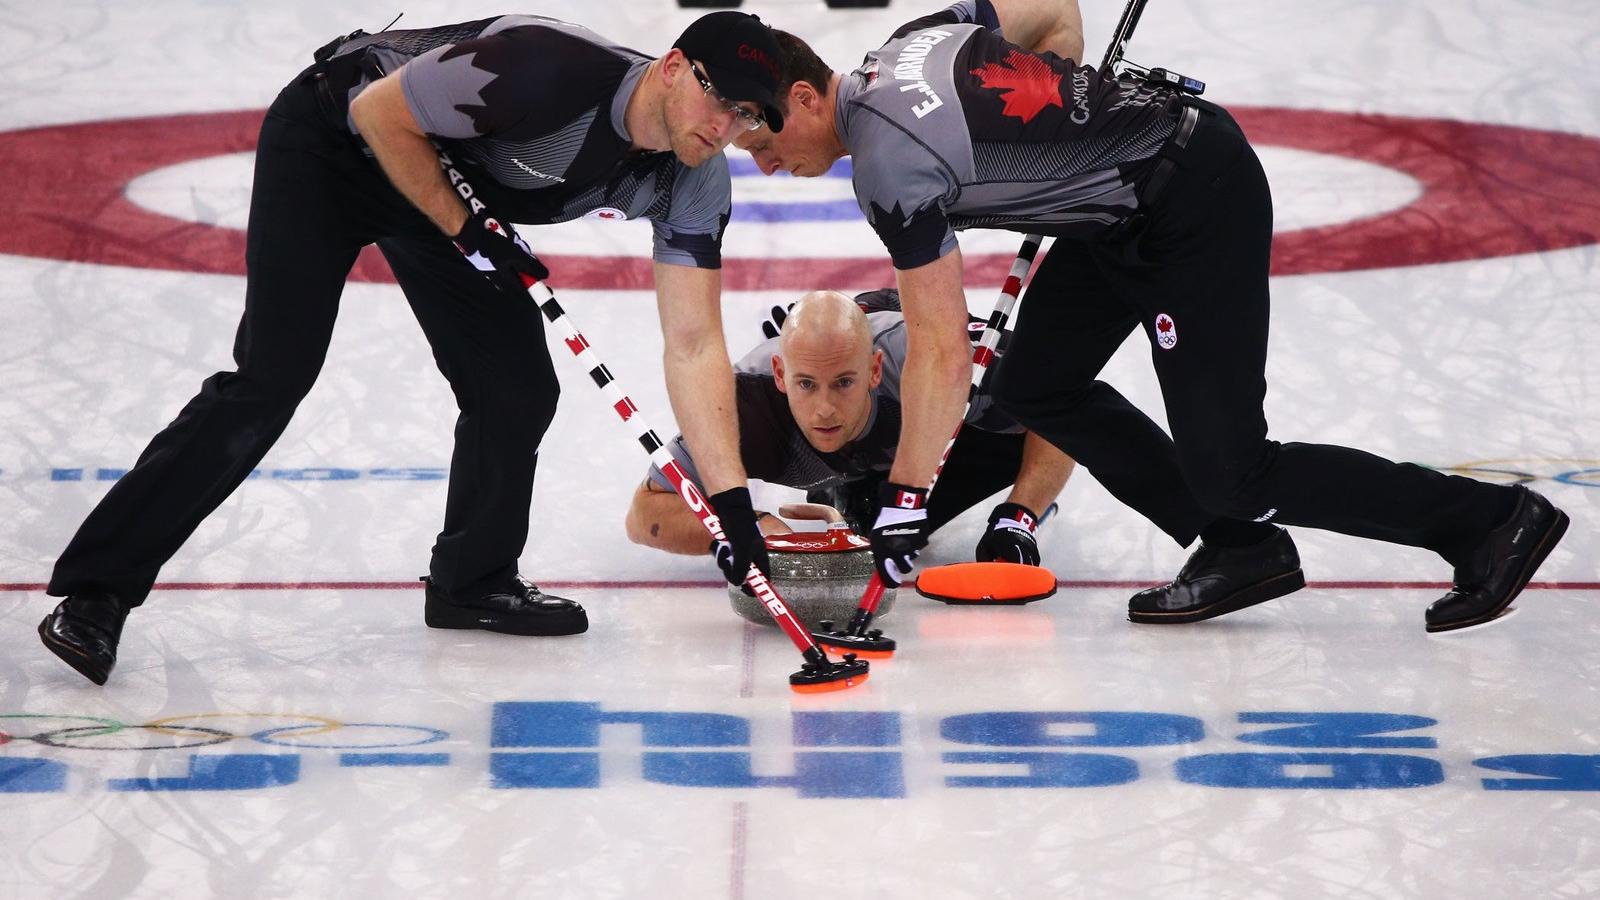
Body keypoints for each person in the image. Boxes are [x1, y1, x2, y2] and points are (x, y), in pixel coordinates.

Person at [731, 0, 1569, 627]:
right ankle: (1239, 548)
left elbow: (944, 357)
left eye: (763, 145)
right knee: (1035, 385)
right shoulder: (912, 40)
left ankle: (1490, 522)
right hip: (1119, 209)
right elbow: (1051, 7)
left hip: (1194, 200)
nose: (768, 168)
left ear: (805, 99)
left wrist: (908, 499)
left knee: (1235, 466)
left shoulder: (886, 169)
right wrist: (1063, 99)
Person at [37, 11, 787, 685]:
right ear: (672, 67)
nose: (725, 127)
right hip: (338, 142)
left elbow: (693, 345)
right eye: (721, 99)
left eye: (747, 116)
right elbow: (377, 112)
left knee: (517, 386)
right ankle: (97, 591)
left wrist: (732, 508)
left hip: (446, 191)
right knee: (272, 376)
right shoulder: (545, 69)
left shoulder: (694, 183)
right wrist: (467, 231)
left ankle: (473, 579)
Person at [624, 288, 1075, 564]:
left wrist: (1019, 517)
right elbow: (645, 514)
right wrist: (751, 527)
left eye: (843, 383)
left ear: (874, 370)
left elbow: (1067, 402)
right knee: (867, 530)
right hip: (865, 444)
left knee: (1025, 408)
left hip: (919, 384)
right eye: (805, 384)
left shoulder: (929, 365)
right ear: (780, 376)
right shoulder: (745, 404)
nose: (824, 410)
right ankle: (848, 486)